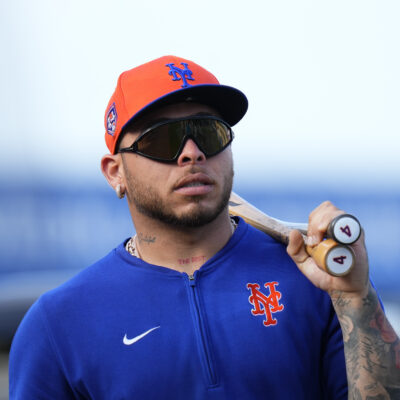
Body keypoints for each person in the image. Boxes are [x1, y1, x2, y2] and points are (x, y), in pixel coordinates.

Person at [9, 55, 400, 399]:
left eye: (209, 132)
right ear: (116, 173)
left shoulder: (314, 278)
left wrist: (355, 296)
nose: (191, 152)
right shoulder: (59, 322)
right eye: (163, 139)